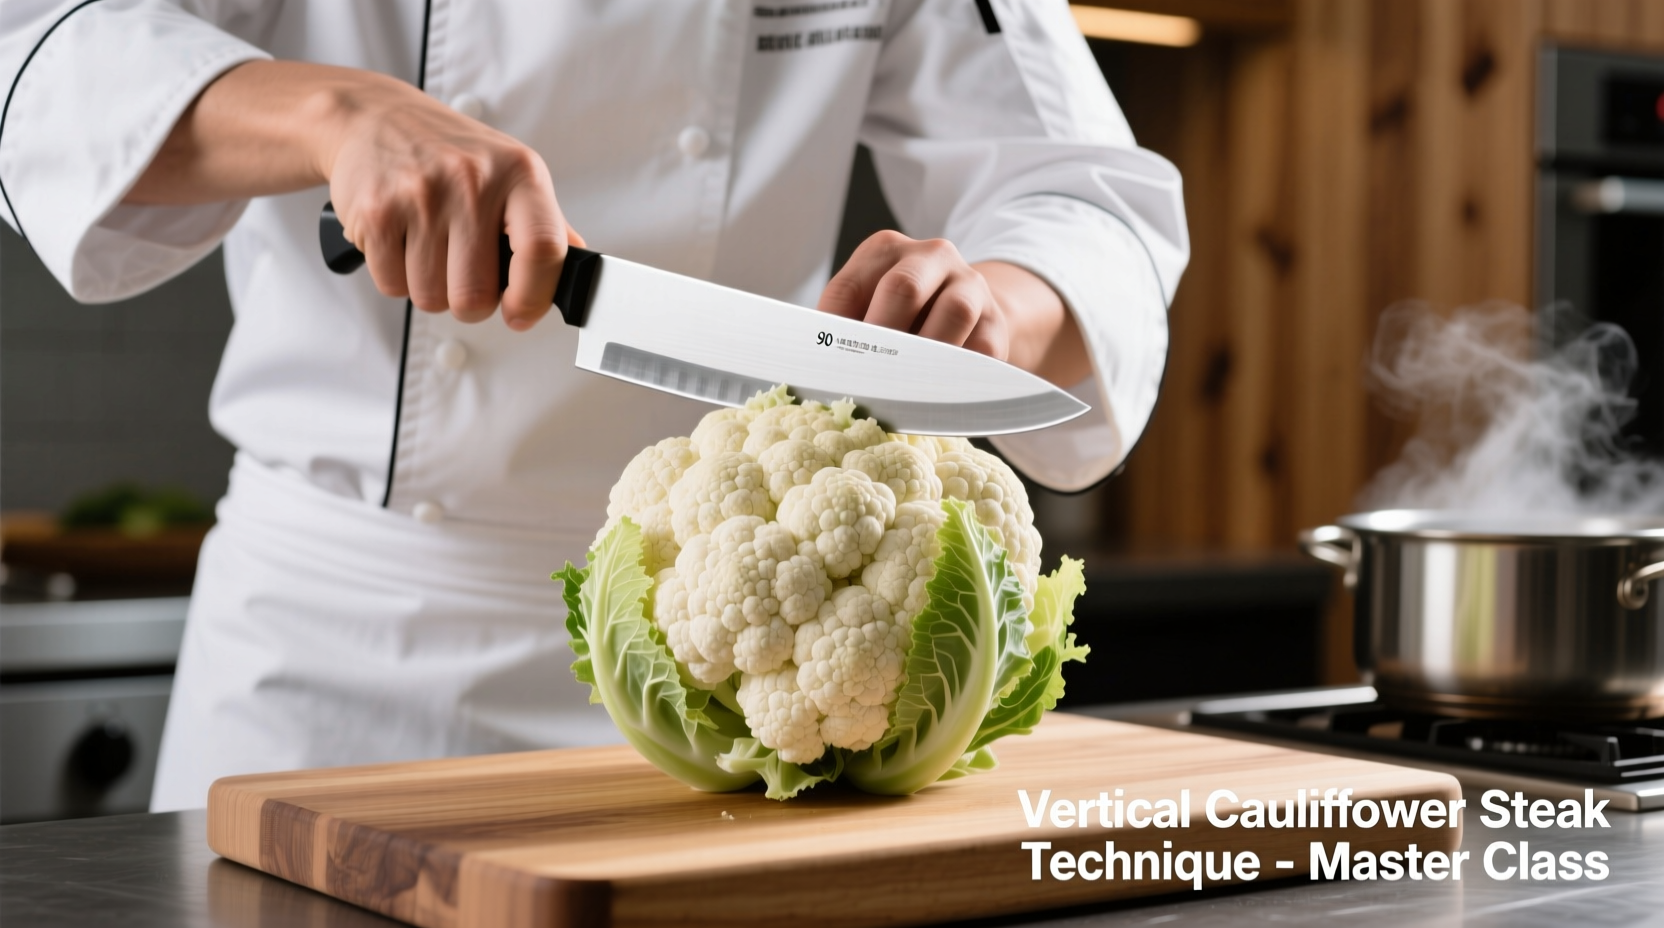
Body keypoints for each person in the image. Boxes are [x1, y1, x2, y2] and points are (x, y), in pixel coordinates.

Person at [0, 0, 1187, 811]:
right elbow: (36, 50)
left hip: (731, 686)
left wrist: (990, 308)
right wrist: (335, 114)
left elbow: (1083, 194)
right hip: (324, 672)